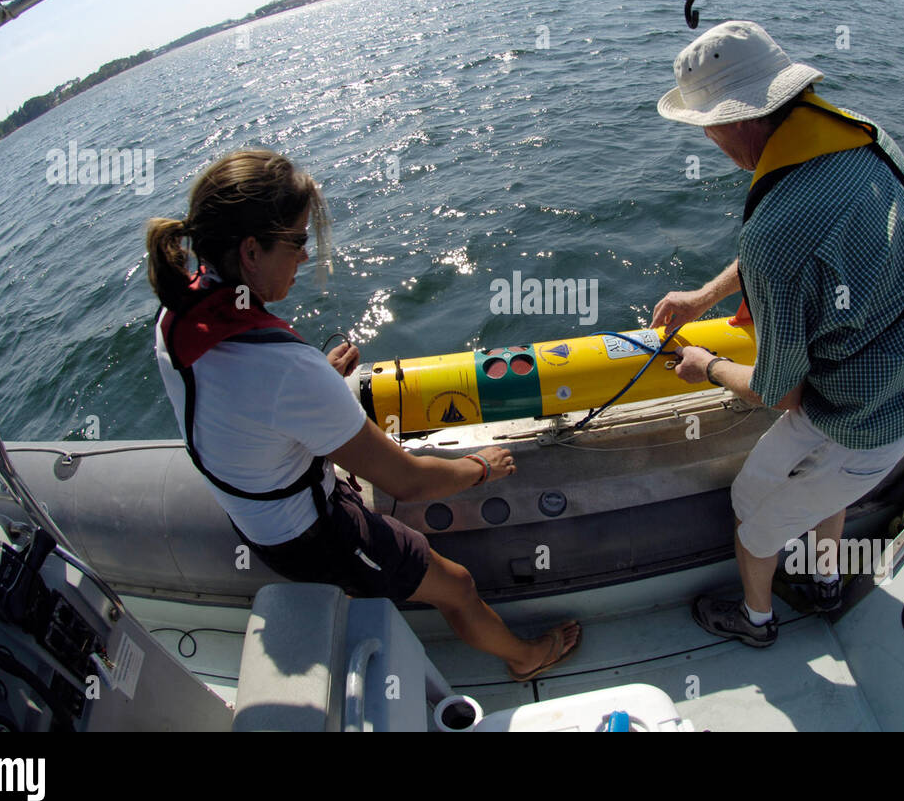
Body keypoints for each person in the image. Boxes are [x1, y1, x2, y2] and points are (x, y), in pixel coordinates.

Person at [146, 150, 579, 679]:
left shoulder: (176, 316)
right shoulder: (286, 372)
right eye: (299, 241)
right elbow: (410, 480)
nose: (305, 257)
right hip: (309, 533)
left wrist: (320, 384)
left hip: (258, 511)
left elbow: (243, 404)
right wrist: (481, 466)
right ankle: (526, 660)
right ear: (251, 251)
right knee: (457, 586)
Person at [651, 21, 904, 648]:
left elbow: (777, 392)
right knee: (768, 491)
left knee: (753, 534)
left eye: (706, 123)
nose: (706, 137)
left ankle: (757, 624)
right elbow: (802, 246)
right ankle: (825, 582)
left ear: (737, 121)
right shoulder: (864, 138)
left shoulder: (774, 231)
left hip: (862, 422)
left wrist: (705, 365)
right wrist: (707, 296)